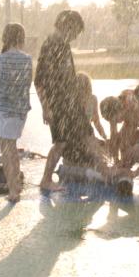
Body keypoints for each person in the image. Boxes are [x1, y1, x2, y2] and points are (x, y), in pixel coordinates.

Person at [34, 10, 90, 191]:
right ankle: (46, 179)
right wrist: (46, 108)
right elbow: (39, 81)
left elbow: (67, 78)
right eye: (76, 31)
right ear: (68, 26)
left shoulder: (63, 45)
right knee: (60, 143)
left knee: (86, 134)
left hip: (69, 103)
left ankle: (103, 170)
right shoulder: (51, 44)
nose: (76, 36)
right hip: (58, 104)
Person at [0, 23, 32, 202]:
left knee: (7, 151)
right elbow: (28, 83)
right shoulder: (28, 59)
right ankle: (16, 186)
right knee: (12, 147)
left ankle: (13, 190)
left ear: (5, 38)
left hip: (3, 110)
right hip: (20, 110)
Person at [77, 72, 107, 141]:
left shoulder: (93, 99)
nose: (81, 89)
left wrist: (105, 137)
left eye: (83, 85)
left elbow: (97, 122)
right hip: (75, 135)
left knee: (104, 145)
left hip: (88, 133)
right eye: (80, 86)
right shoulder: (72, 100)